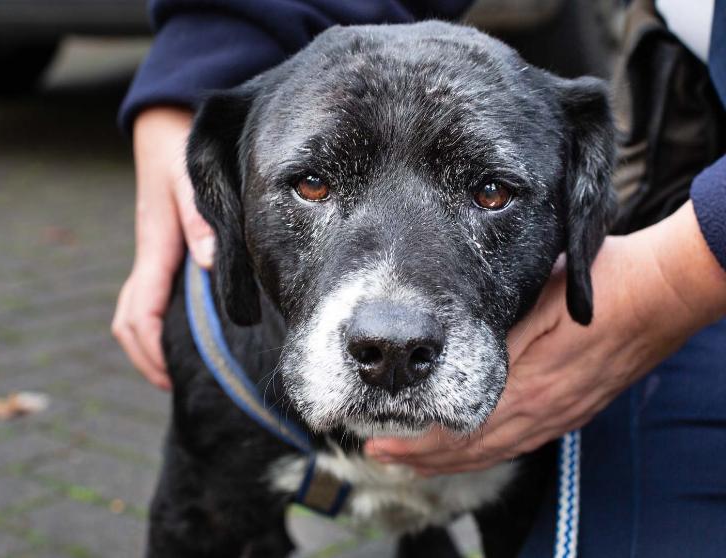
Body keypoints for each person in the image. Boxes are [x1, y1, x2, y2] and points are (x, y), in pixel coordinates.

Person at [111, 1, 726, 555]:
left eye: (490, 191)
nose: (391, 328)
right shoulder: (221, 369)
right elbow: (191, 527)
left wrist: (671, 282)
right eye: (313, 185)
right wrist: (200, 52)